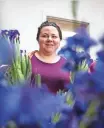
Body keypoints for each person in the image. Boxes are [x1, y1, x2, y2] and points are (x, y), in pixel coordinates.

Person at [28, 21, 70, 93]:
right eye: (44, 36)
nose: (50, 39)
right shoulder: (28, 59)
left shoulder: (67, 64)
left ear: (59, 40)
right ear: (38, 39)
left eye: (54, 36)